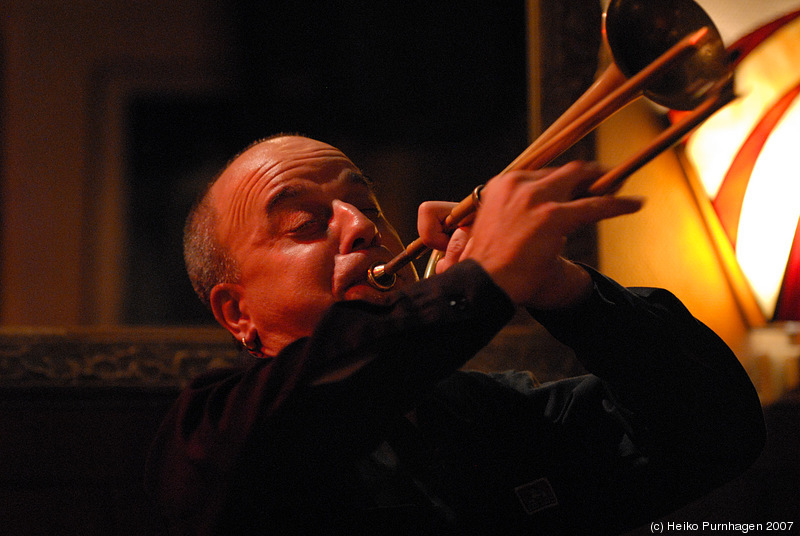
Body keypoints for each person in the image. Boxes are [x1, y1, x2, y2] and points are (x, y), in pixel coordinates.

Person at [145, 134, 765, 535]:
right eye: (306, 223)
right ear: (237, 314)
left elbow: (717, 435)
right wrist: (483, 280)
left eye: (368, 207)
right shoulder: (208, 435)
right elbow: (306, 408)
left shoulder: (495, 415)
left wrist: (561, 288)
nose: (362, 226)